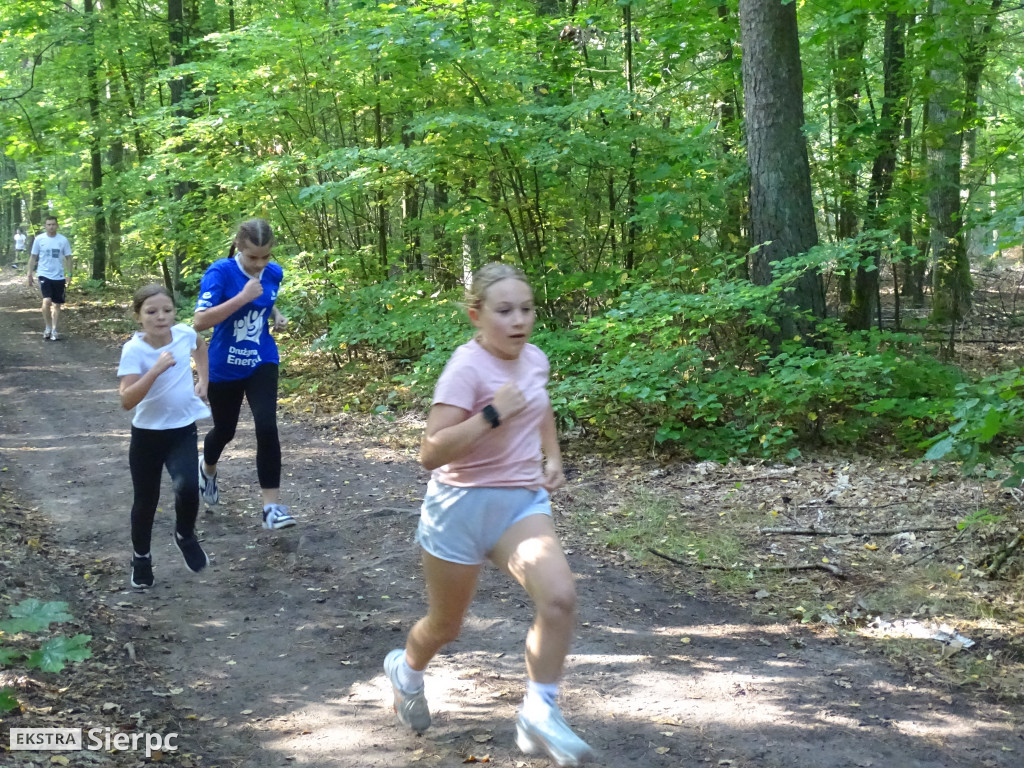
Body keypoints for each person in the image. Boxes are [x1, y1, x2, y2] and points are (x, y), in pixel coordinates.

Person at [383, 263, 594, 767]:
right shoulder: (466, 369)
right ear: (478, 316)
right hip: (458, 508)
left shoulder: (535, 358)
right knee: (445, 625)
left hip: (519, 503)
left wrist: (553, 456)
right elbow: (430, 453)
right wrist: (492, 413)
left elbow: (538, 405)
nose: (519, 320)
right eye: (505, 311)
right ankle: (406, 671)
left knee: (560, 598)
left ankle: (539, 712)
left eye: (526, 309)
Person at [193, 218, 295, 530]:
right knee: (225, 431)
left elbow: (266, 300)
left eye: (266, 257)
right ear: (239, 246)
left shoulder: (274, 273)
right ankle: (207, 469)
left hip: (261, 357)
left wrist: (276, 314)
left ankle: (271, 507)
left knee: (266, 424)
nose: (260, 264)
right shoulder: (220, 272)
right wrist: (242, 298)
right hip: (225, 363)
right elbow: (199, 322)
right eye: (253, 257)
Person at [118, 284, 211, 589]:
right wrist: (155, 370)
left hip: (182, 429)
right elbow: (127, 400)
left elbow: (200, 345)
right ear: (138, 316)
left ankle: (185, 535)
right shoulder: (134, 350)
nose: (161, 317)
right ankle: (141, 558)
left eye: (167, 310)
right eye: (152, 311)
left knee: (187, 487)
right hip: (146, 436)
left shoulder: (183, 333)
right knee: (146, 500)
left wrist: (203, 381)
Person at [27, 216, 73, 341]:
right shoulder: (39, 239)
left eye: (53, 224)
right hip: (44, 274)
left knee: (57, 304)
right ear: (45, 226)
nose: (51, 226)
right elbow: (33, 257)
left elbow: (69, 258)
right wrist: (29, 273)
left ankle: (54, 329)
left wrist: (69, 275)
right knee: (47, 301)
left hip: (58, 276)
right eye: (48, 224)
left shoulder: (63, 240)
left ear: (57, 225)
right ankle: (47, 327)